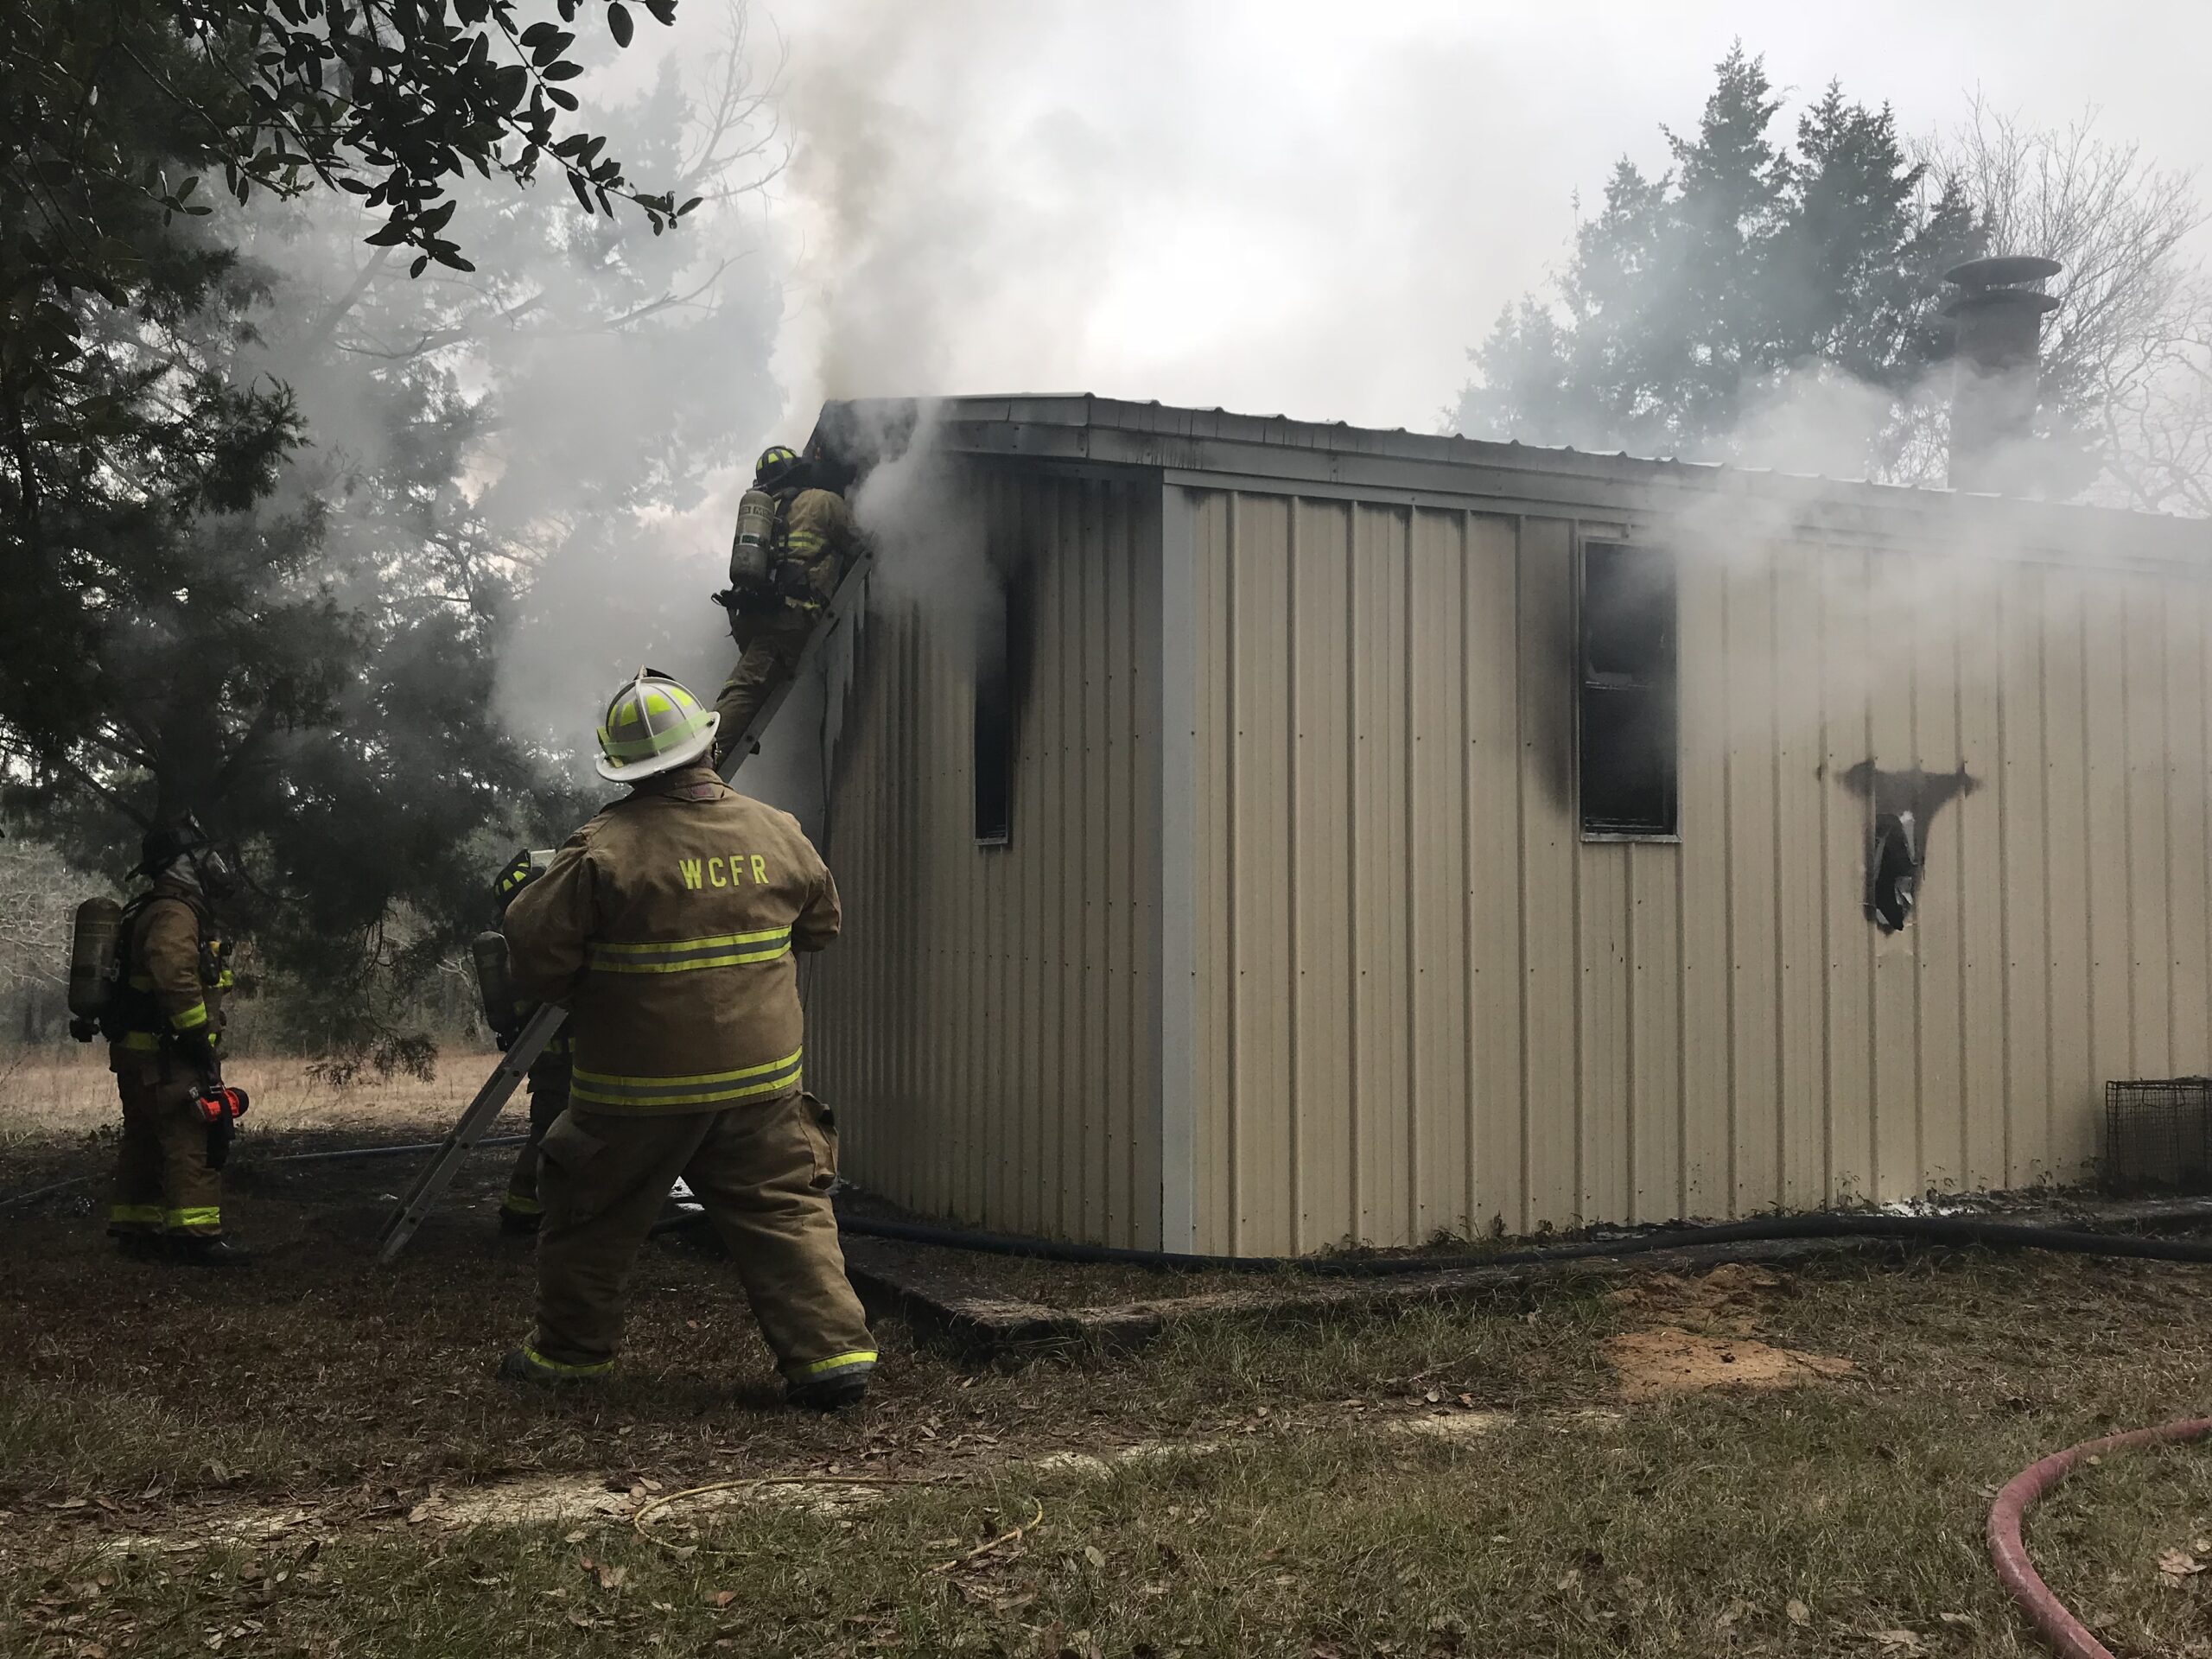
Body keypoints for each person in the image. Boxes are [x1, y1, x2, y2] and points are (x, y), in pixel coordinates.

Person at [498, 669, 877, 1409]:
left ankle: (570, 1356)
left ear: (625, 767)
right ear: (705, 743)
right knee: (786, 1212)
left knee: (591, 1216)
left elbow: (534, 954)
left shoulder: (602, 851)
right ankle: (832, 1359)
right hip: (762, 1084)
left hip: (632, 1093)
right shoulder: (778, 830)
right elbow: (821, 927)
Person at [101, 820, 246, 1267]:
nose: (213, 866)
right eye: (200, 857)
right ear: (181, 865)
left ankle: (136, 1229)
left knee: (145, 1139)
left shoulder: (157, 908)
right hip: (168, 1053)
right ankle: (196, 1237)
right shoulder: (175, 913)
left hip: (140, 1052)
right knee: (190, 1137)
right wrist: (196, 1035)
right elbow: (173, 971)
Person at [709, 444, 862, 767]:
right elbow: (860, 545)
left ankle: (717, 741)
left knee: (744, 681)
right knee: (745, 691)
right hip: (790, 616)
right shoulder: (823, 502)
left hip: (750, 616)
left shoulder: (763, 516)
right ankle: (706, 759)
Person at [487, 850, 572, 1234]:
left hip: (555, 1059)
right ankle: (521, 1209)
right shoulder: (530, 943)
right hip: (559, 1061)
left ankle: (536, 1204)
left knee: (555, 1131)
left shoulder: (519, 937)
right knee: (549, 1133)